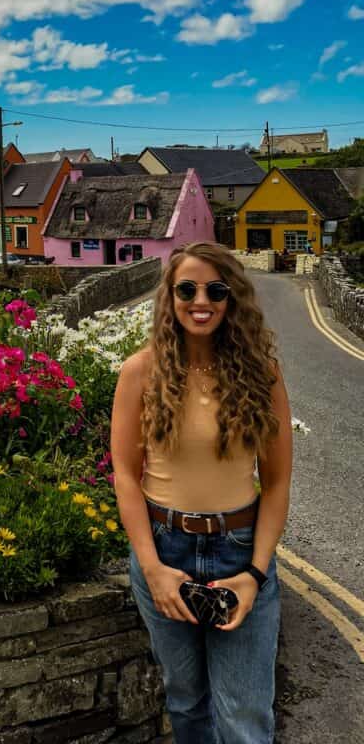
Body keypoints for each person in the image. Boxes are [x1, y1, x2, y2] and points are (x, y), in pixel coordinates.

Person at [110, 241, 292, 744]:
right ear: (169, 297)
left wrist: (255, 574)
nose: (200, 301)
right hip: (165, 550)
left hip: (239, 551)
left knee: (244, 719)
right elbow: (126, 475)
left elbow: (276, 483)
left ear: (233, 299)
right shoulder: (139, 373)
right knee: (186, 703)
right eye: (187, 289)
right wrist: (152, 568)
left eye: (216, 290)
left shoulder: (262, 374)